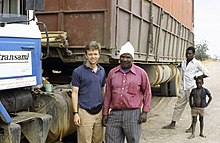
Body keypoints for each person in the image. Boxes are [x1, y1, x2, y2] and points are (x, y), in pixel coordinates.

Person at [102, 41, 152, 143]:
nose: (125, 59)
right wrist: (105, 113)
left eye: (128, 57)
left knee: (133, 140)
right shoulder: (112, 73)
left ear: (132, 59)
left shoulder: (141, 73)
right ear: (119, 57)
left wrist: (145, 112)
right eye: (123, 57)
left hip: (133, 114)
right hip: (115, 114)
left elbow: (147, 93)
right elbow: (108, 95)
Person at [162, 46, 210, 132]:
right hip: (183, 87)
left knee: (193, 107)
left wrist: (198, 77)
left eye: (190, 54)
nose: (188, 55)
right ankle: (173, 123)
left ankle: (192, 126)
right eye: (187, 53)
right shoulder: (183, 62)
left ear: (193, 54)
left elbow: (207, 73)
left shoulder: (196, 63)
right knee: (178, 105)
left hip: (192, 88)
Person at [71, 41, 106, 143]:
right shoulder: (78, 72)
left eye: (95, 54)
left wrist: (105, 109)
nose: (93, 57)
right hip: (85, 113)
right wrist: (75, 113)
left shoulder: (102, 71)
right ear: (86, 55)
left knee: (98, 141)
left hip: (99, 112)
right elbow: (74, 93)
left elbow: (103, 90)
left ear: (99, 55)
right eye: (90, 54)